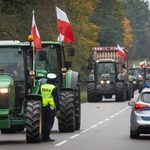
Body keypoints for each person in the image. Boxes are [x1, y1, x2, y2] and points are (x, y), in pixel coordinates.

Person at [40, 73, 60, 142]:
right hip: (50, 108)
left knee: (43, 122)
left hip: (42, 107)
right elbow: (56, 99)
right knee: (49, 123)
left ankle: (42, 136)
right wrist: (58, 109)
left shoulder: (42, 86)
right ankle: (46, 137)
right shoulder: (53, 88)